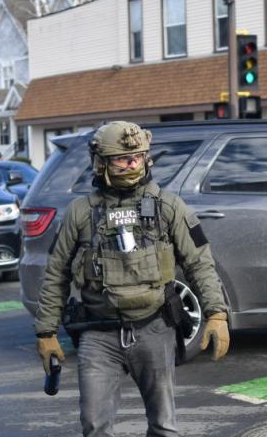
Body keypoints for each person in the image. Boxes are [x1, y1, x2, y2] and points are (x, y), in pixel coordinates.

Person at [34, 121, 230, 437]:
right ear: (101, 162)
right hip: (98, 334)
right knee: (95, 425)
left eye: (137, 157)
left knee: (164, 426)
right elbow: (56, 272)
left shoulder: (169, 207)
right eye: (122, 159)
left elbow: (200, 263)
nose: (131, 164)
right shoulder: (80, 213)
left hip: (154, 328)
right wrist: (46, 331)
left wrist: (216, 314)